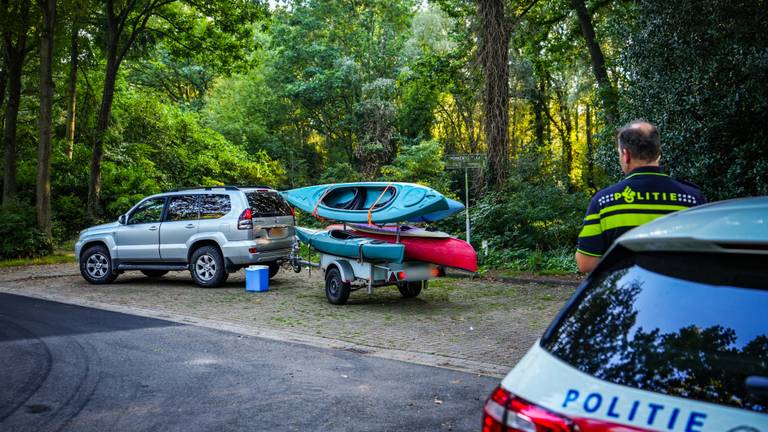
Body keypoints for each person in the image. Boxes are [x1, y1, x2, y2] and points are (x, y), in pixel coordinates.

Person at [575, 120, 706, 273]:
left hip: (626, 294)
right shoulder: (692, 198)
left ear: (626, 155)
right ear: (658, 152)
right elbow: (704, 258)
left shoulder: (604, 201)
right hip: (677, 294)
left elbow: (585, 263)